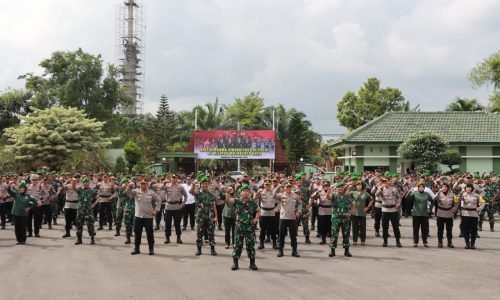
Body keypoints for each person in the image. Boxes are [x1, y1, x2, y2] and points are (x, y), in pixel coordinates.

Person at [230, 185, 260, 271]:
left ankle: (252, 263)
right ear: (241, 193)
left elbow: (258, 210)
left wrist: (256, 218)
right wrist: (229, 193)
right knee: (237, 244)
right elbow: (228, 201)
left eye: (248, 191)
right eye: (244, 191)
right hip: (239, 227)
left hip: (249, 227)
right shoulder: (237, 201)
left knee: (250, 245)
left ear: (250, 193)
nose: (246, 193)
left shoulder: (252, 203)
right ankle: (235, 263)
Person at [127, 180, 161, 255]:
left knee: (149, 233)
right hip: (138, 216)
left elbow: (159, 200)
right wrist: (129, 186)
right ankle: (136, 248)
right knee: (137, 233)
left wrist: (156, 210)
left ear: (147, 185)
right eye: (141, 184)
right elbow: (128, 194)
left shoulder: (151, 193)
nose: (143, 185)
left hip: (148, 216)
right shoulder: (136, 191)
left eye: (144, 184)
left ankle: (151, 249)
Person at [190, 176, 218, 256]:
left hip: (210, 217)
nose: (204, 186)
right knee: (199, 233)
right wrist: (193, 185)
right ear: (201, 185)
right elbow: (191, 191)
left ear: (208, 185)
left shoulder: (211, 195)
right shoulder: (198, 193)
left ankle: (212, 249)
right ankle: (199, 249)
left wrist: (216, 217)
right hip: (200, 217)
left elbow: (214, 206)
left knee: (211, 233)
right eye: (203, 184)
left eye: (206, 184)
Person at [327, 182, 355, 257]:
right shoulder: (334, 195)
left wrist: (351, 212)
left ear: (344, 188)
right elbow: (328, 197)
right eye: (339, 188)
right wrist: (329, 189)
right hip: (336, 218)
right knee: (334, 235)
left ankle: (347, 250)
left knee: (346, 235)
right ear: (336, 189)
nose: (340, 189)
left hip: (345, 218)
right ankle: (332, 251)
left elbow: (353, 204)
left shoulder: (348, 196)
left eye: (341, 188)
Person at [274, 183, 301, 258]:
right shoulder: (281, 195)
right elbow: (273, 195)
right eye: (287, 187)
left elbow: (300, 203)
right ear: (284, 188)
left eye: (290, 187)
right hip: (283, 218)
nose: (288, 188)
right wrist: (277, 186)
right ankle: (280, 250)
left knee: (293, 235)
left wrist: (299, 211)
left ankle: (294, 250)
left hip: (292, 218)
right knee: (281, 235)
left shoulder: (295, 195)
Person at [376, 178, 402, 247]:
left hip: (393, 209)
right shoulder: (381, 189)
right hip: (385, 210)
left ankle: (398, 241)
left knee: (395, 226)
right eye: (383, 182)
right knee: (384, 227)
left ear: (389, 182)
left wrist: (398, 203)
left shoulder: (394, 189)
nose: (385, 183)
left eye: (386, 181)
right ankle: (385, 241)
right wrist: (380, 188)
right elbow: (376, 195)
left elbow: (399, 197)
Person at [163, 174, 188, 244]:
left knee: (177, 223)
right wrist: (164, 182)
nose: (174, 179)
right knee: (167, 223)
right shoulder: (167, 186)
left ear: (177, 179)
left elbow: (185, 195)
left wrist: (183, 204)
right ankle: (167, 238)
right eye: (172, 178)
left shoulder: (180, 187)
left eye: (175, 178)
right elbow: (161, 189)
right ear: (170, 179)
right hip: (168, 207)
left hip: (177, 207)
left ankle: (178, 238)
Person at [459, 183, 485, 249]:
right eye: (467, 187)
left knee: (473, 229)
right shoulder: (463, 195)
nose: (468, 188)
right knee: (466, 229)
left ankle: (472, 244)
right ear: (465, 188)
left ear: (472, 188)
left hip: (474, 214)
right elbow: (457, 200)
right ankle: (467, 243)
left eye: (470, 187)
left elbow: (483, 202)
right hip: (465, 214)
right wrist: (461, 193)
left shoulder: (477, 195)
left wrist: (480, 208)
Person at [406, 183, 433, 247]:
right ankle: (415, 242)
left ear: (424, 188)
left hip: (424, 214)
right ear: (418, 188)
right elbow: (407, 198)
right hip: (416, 214)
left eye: (422, 187)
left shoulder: (426, 194)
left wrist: (430, 209)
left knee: (424, 229)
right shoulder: (415, 193)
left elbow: (432, 201)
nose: (421, 188)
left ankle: (425, 242)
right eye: (420, 187)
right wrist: (409, 191)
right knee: (416, 229)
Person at [254, 179, 278, 250]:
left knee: (273, 229)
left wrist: (276, 209)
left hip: (272, 213)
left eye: (269, 185)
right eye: (266, 184)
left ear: (271, 185)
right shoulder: (260, 192)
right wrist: (257, 208)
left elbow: (279, 202)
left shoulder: (274, 193)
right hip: (263, 212)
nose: (267, 186)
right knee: (263, 229)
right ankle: (261, 243)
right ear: (264, 185)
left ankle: (274, 243)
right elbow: (254, 200)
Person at [349, 181, 374, 246]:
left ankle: (363, 240)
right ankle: (355, 240)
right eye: (357, 185)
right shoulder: (352, 192)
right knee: (354, 227)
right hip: (354, 212)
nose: (359, 186)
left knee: (363, 227)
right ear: (356, 186)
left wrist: (368, 207)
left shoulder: (365, 193)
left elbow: (372, 199)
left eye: (360, 185)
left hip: (362, 212)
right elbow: (347, 197)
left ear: (362, 186)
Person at [433, 183, 458, 248]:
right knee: (440, 229)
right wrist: (438, 192)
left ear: (448, 188)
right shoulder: (439, 194)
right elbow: (433, 199)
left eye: (446, 187)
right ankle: (440, 242)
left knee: (449, 229)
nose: (444, 188)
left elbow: (456, 203)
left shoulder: (452, 194)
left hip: (449, 214)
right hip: (440, 213)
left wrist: (454, 209)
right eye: (443, 187)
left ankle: (449, 242)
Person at [74, 176, 98, 245]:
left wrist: (94, 204)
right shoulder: (80, 190)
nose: (86, 183)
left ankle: (92, 239)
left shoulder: (91, 190)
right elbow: (74, 188)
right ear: (82, 183)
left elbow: (98, 197)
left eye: (87, 182)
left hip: (88, 210)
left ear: (89, 182)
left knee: (90, 224)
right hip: (80, 210)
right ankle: (79, 239)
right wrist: (73, 182)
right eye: (84, 182)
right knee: (79, 224)